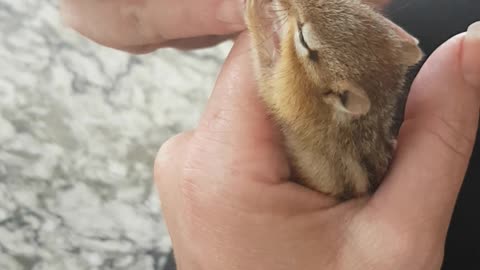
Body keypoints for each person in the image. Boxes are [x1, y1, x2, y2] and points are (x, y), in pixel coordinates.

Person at [60, 0, 480, 269]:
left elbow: (291, 103)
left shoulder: (319, 111)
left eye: (302, 38)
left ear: (341, 98)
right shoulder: (358, 66)